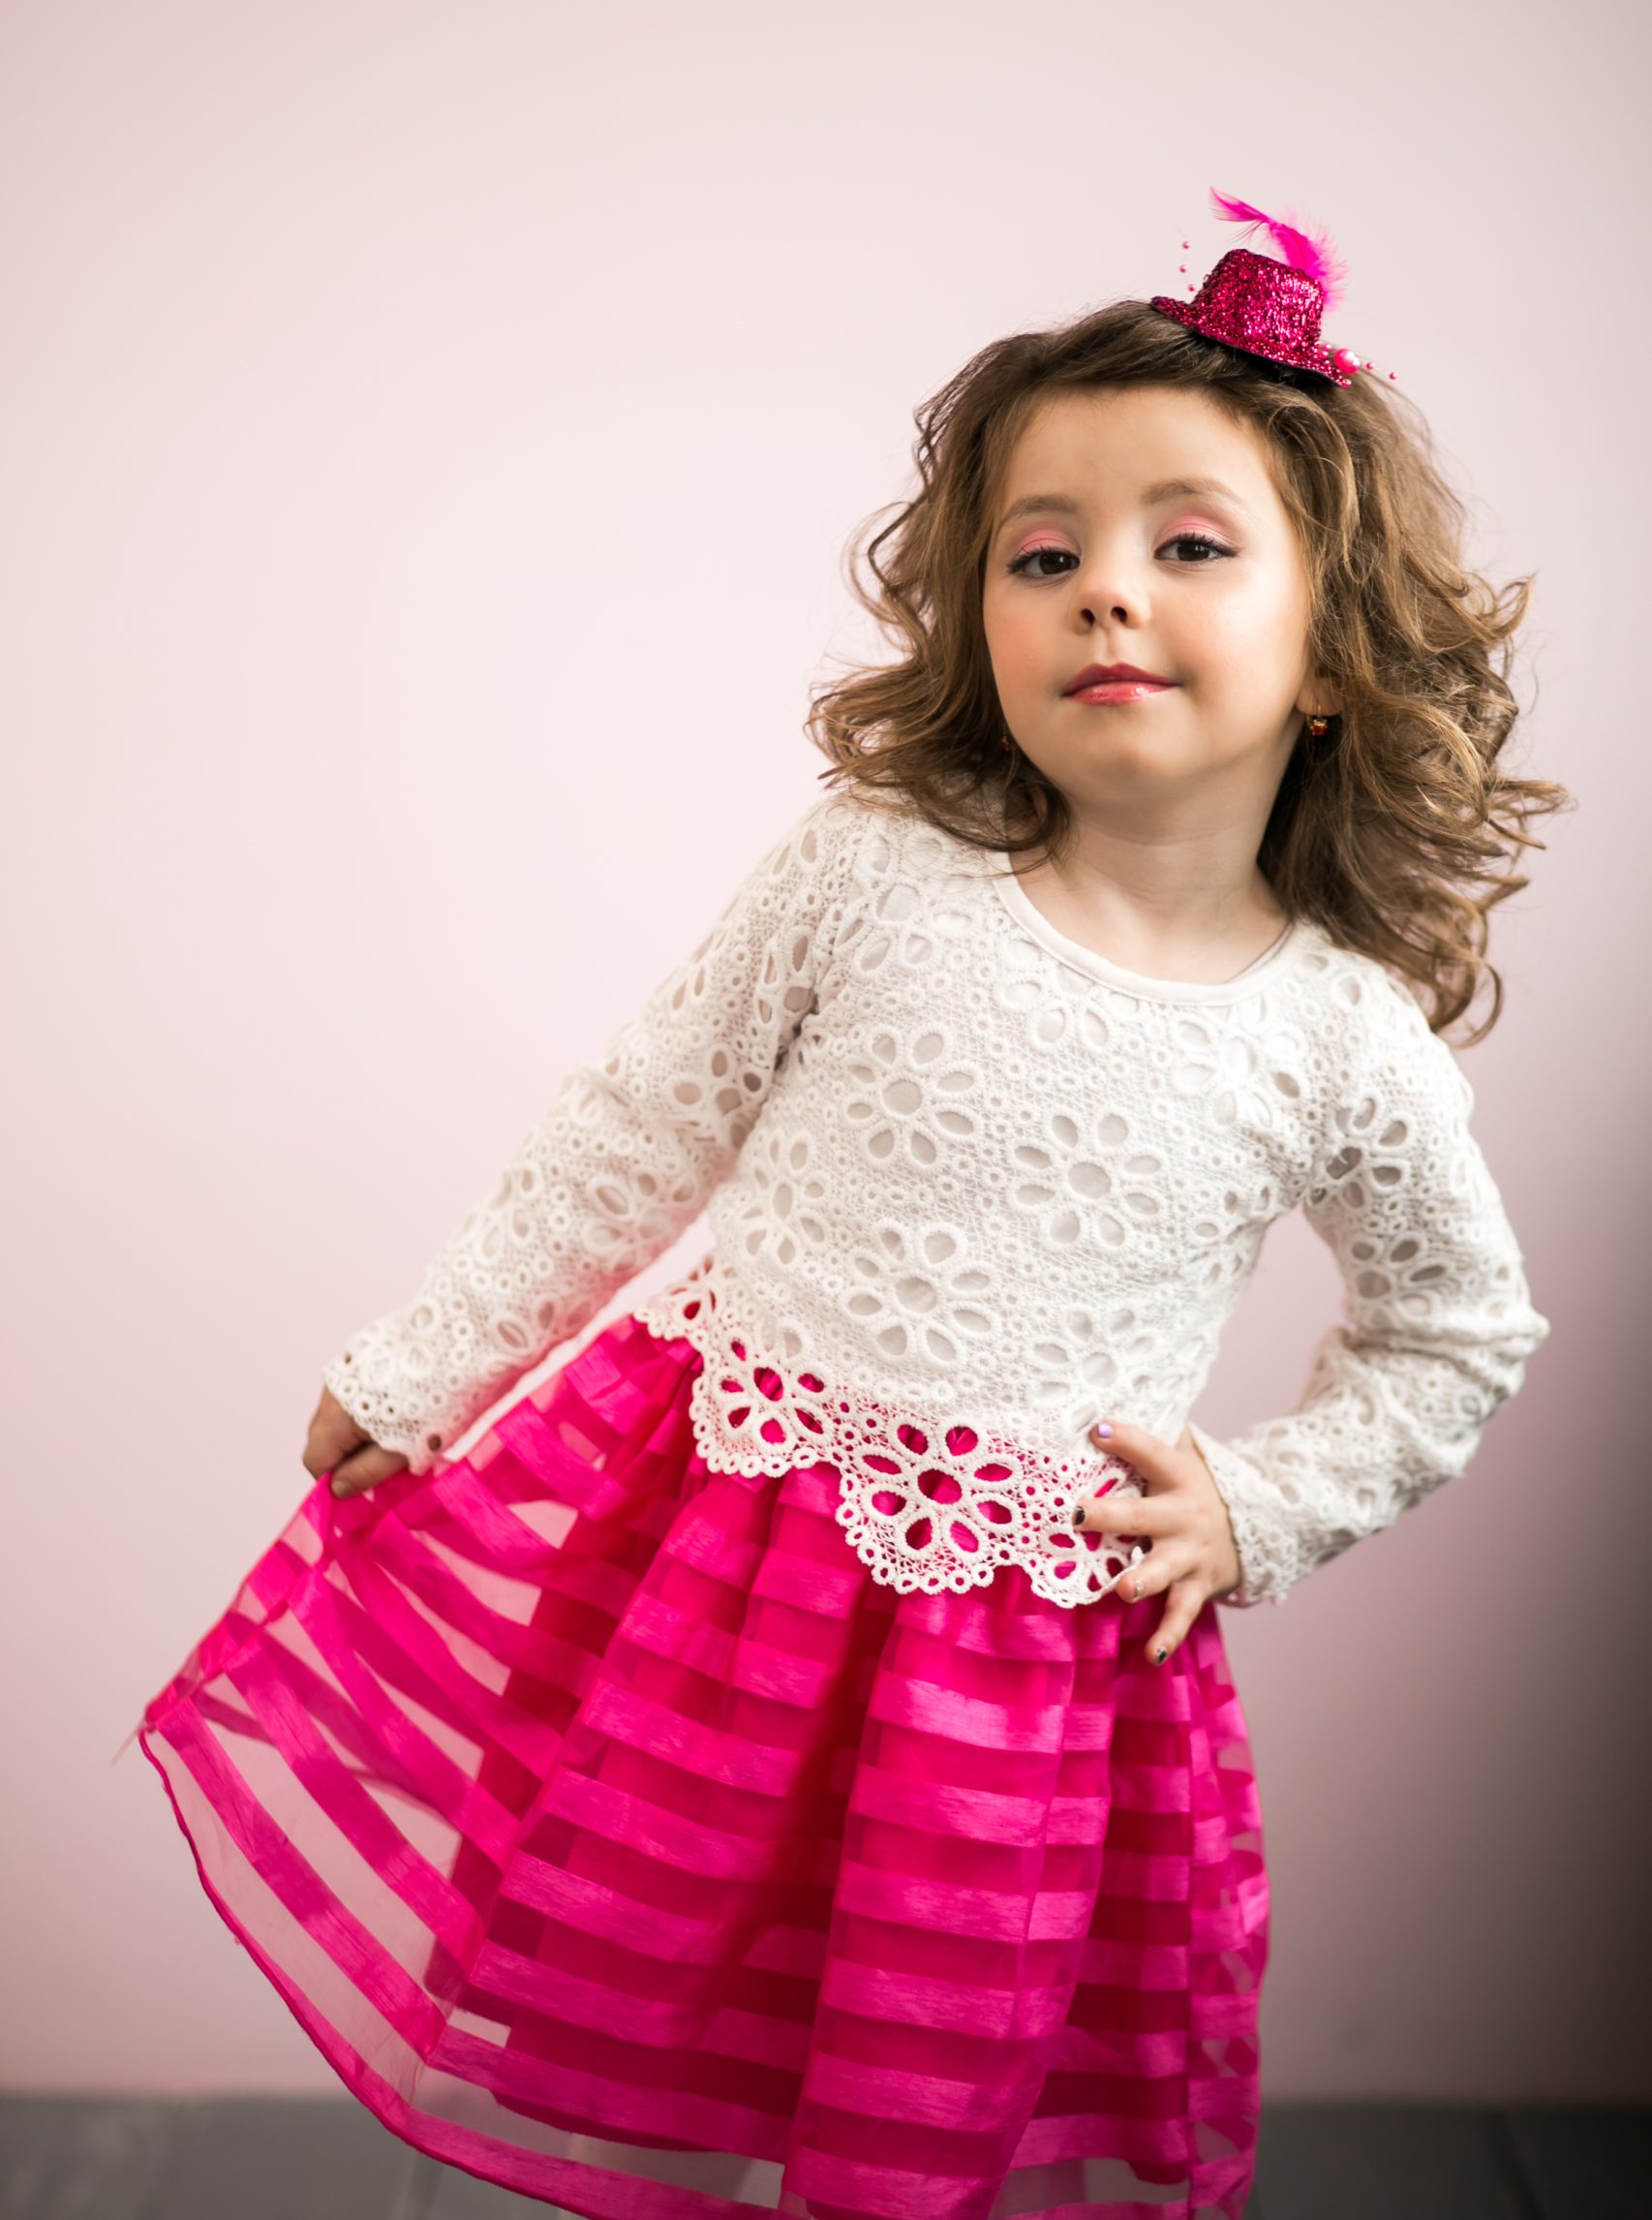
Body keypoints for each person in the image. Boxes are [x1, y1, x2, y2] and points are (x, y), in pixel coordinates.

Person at [138, 190, 1563, 2220]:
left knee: (912, 2103)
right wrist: (438, 1349)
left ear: (1331, 648)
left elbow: (1455, 1333)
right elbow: (645, 1117)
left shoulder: (1339, 1040)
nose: (1100, 594)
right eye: (1042, 551)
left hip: (1014, 1658)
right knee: (664, 2009)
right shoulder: (877, 868)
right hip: (721, 1567)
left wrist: (1264, 1500)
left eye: (1187, 543)